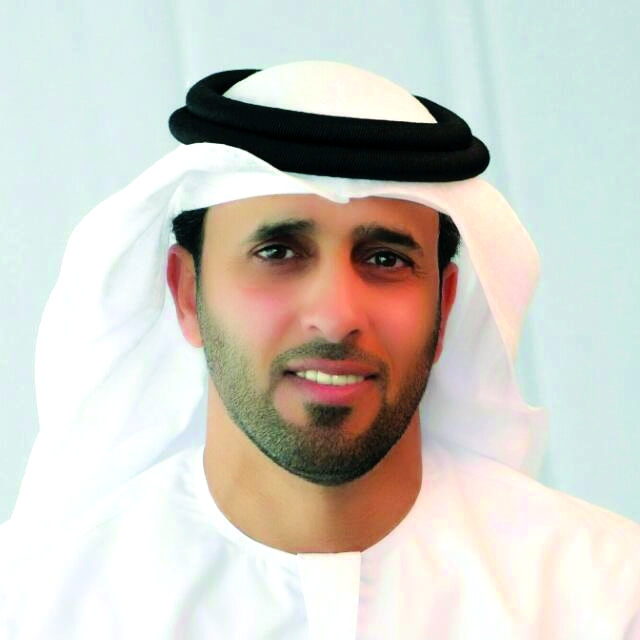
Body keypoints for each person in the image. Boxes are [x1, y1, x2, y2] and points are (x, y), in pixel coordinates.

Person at [1, 61, 639, 639]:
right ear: (188, 293)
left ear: (444, 308)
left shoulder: (608, 598)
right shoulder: (35, 608)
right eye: (278, 252)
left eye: (385, 259)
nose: (336, 315)